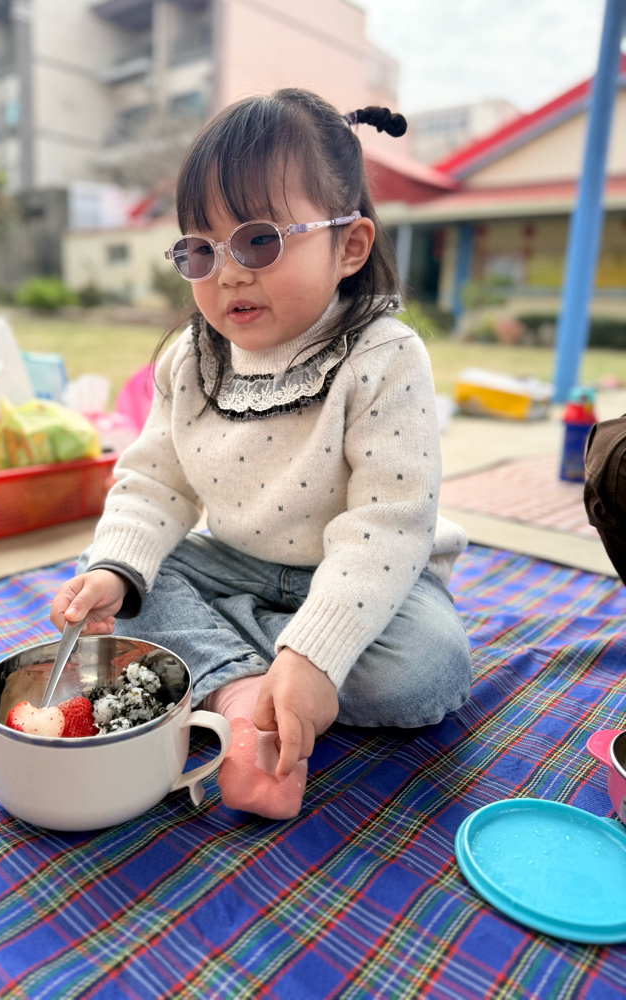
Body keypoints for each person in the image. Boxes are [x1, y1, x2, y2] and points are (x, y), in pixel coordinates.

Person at [50, 89, 472, 820]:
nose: (228, 273)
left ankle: (253, 660)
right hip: (233, 562)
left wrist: (316, 651)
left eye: (258, 242)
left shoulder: (385, 357)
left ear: (349, 246)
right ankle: (245, 692)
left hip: (367, 576)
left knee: (428, 670)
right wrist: (116, 570)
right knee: (120, 584)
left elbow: (386, 527)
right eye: (200, 250)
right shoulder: (191, 360)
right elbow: (155, 484)